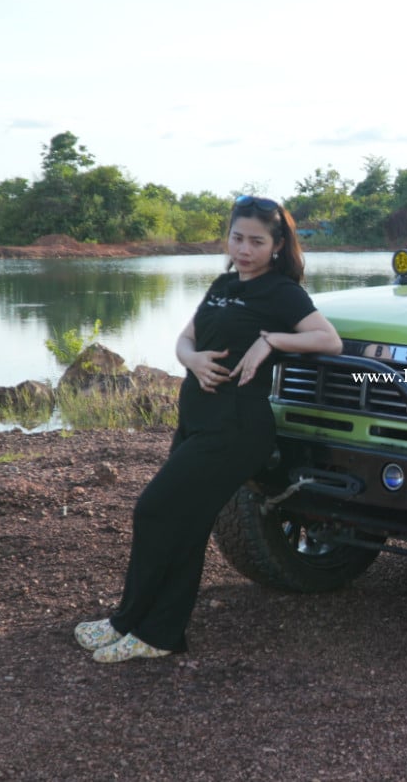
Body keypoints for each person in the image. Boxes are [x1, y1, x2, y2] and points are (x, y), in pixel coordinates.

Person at [74, 195, 342, 663]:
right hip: (197, 421)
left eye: (256, 242)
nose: (244, 250)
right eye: (237, 238)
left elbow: (328, 339)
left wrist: (270, 341)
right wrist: (192, 360)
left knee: (153, 510)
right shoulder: (222, 284)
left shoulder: (281, 292)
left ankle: (135, 623)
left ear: (277, 246)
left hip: (235, 429)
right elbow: (185, 338)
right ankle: (149, 632)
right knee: (186, 523)